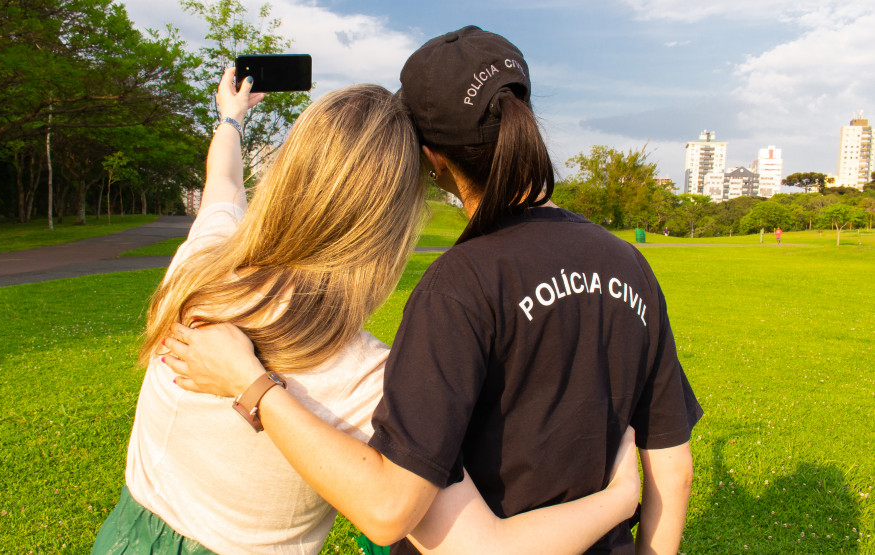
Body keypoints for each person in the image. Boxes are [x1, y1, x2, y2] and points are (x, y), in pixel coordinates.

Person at [167, 26, 702, 554]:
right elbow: (673, 473)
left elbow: (426, 523)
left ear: (433, 159)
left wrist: (230, 120)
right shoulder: (631, 266)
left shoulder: (457, 286)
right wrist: (620, 505)